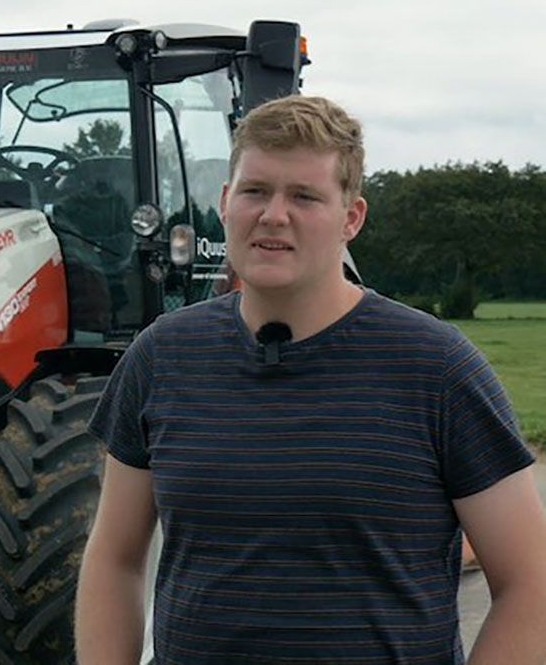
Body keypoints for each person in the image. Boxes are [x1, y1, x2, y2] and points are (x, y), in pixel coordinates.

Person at [75, 95, 546, 664]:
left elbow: (530, 586)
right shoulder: (161, 358)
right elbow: (114, 557)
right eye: (255, 191)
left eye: (304, 196)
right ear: (225, 203)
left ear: (352, 217)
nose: (274, 214)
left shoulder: (437, 369)